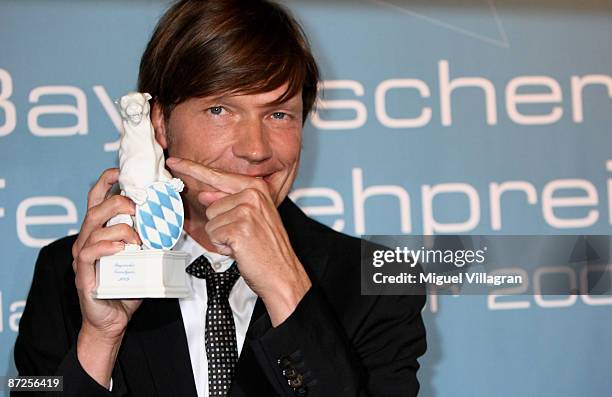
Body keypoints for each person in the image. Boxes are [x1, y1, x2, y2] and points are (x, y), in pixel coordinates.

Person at [13, 1, 427, 396]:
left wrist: (287, 289)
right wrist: (100, 340)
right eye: (220, 110)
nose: (254, 148)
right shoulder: (68, 273)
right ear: (160, 123)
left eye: (279, 114)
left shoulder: (378, 286)